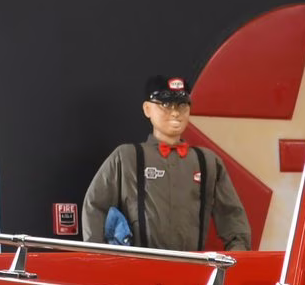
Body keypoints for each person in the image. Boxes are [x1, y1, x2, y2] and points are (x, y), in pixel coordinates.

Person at [82, 74, 251, 251]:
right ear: (147, 109)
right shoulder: (127, 157)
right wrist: (98, 257)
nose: (175, 112)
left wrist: (237, 257)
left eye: (182, 105)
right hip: (139, 265)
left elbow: (233, 217)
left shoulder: (207, 162)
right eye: (166, 105)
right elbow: (95, 206)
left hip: (192, 265)